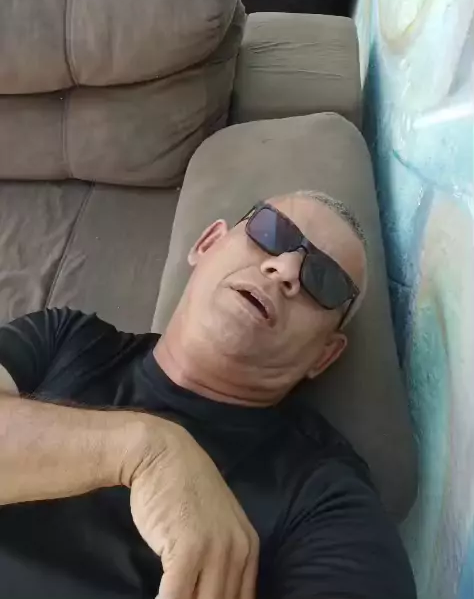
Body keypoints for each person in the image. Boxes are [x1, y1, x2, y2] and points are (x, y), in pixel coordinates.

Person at [0, 191, 416, 599]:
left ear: (323, 355)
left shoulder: (322, 491)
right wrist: (145, 452)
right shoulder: (66, 339)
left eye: (324, 281)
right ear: (207, 244)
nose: (286, 269)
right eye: (272, 232)